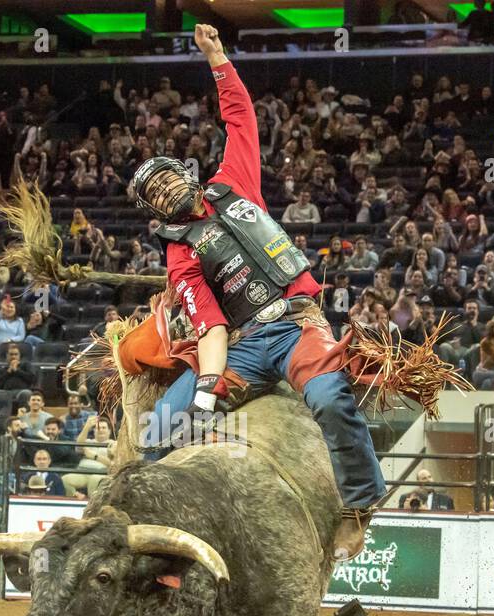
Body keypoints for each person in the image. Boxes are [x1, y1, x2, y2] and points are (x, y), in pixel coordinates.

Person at [133, 24, 385, 559]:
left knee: (329, 399)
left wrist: (217, 57)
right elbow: (211, 325)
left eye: (167, 177)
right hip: (243, 344)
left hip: (296, 322)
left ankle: (358, 505)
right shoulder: (180, 254)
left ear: (187, 173)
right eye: (154, 192)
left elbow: (240, 118)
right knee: (160, 428)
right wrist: (204, 389)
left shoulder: (234, 182)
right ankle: (166, 538)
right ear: (154, 211)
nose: (166, 189)